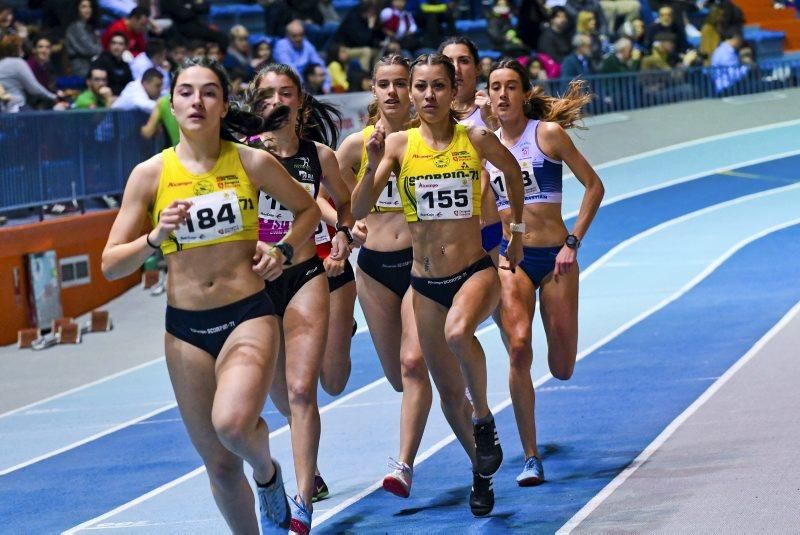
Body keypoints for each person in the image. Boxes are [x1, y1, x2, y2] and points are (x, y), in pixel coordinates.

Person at [100, 56, 321, 535]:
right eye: (185, 91)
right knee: (220, 467)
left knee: (234, 424)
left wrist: (283, 251)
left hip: (247, 315)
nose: (196, 101)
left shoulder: (250, 161)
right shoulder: (150, 175)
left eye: (208, 92)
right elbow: (111, 262)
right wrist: (155, 237)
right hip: (185, 331)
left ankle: (268, 474)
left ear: (223, 105)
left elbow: (307, 212)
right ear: (171, 104)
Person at [352, 53, 525, 517]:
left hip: (474, 272)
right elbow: (358, 208)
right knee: (449, 396)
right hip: (425, 282)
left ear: (453, 93)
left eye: (438, 87)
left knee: (457, 333)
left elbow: (511, 172)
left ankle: (485, 419)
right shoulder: (399, 145)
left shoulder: (475, 137)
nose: (429, 96)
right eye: (421, 87)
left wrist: (518, 234)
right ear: (412, 93)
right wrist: (370, 166)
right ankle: (480, 471)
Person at [247, 63, 355, 535]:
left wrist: (345, 234)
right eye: (266, 95)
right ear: (257, 105)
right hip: (254, 284)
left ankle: (303, 499)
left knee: (301, 389)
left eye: (284, 93)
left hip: (305, 273)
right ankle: (300, 468)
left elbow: (345, 201)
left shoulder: (319, 155)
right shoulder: (242, 156)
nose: (276, 101)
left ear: (300, 102)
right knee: (278, 396)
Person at [486, 58, 604, 487]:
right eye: (495, 87)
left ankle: (562, 351)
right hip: (512, 260)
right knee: (518, 349)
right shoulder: (484, 147)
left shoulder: (547, 135)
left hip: (556, 258)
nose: (502, 95)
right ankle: (530, 457)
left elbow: (595, 186)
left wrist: (573, 242)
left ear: (523, 93)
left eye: (510, 87)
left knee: (562, 367)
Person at [336, 54, 431, 499]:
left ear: (411, 90)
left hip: (419, 263)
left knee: (413, 364)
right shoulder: (356, 146)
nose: (391, 92)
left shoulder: (426, 140)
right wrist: (345, 224)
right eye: (383, 84)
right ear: (372, 91)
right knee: (397, 375)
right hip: (372, 268)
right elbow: (326, 196)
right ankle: (453, 390)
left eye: (400, 83)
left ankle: (403, 464)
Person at [439, 37, 504, 266]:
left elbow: (520, 162)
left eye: (464, 61)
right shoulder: (426, 118)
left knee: (500, 301)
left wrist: (494, 123)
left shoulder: (496, 107)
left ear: (478, 68)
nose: (456, 68)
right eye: (449, 61)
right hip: (445, 232)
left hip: (491, 228)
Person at [0, 34, 59, 112]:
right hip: (16, 106)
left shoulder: (2, 62)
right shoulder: (17, 63)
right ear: (15, 48)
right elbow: (33, 88)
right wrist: (54, 97)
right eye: (20, 47)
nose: (22, 50)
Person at [273, 20, 331, 93]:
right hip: (287, 80)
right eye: (294, 36)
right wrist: (304, 88)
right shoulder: (281, 46)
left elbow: (319, 63)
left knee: (318, 69)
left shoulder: (307, 45)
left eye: (301, 35)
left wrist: (326, 84)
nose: (298, 38)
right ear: (287, 35)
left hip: (305, 80)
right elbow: (290, 70)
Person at [65, 0, 102, 78]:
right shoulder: (76, 27)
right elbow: (92, 50)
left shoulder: (89, 26)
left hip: (91, 64)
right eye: (84, 7)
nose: (87, 10)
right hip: (81, 67)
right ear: (77, 9)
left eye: (89, 7)